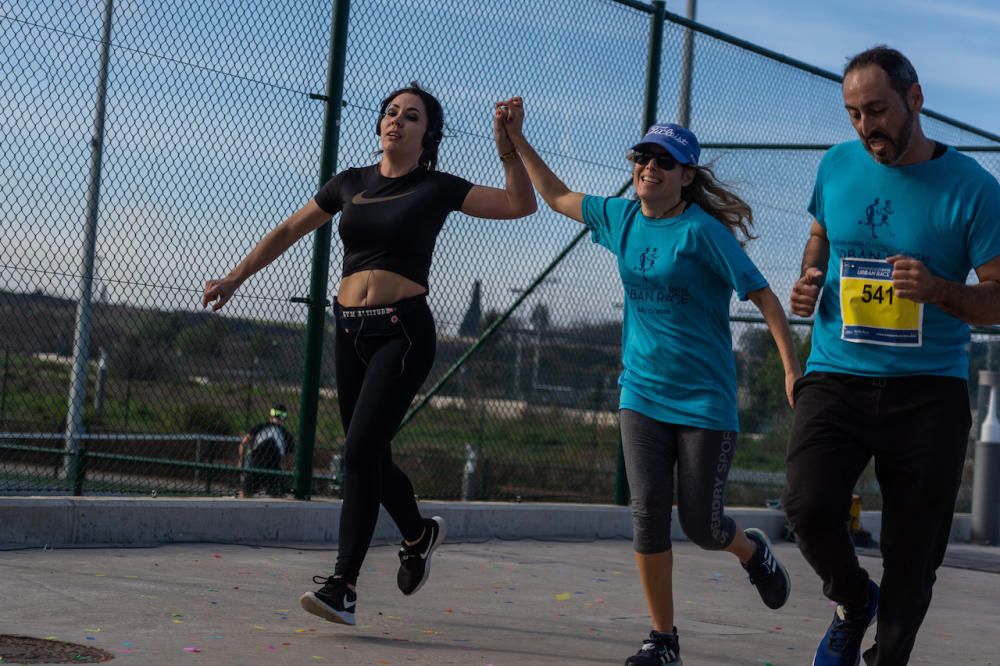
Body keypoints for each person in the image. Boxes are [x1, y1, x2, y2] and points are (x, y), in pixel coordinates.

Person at [202, 83, 536, 626]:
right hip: (349, 329)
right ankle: (417, 532)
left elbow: (520, 205)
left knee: (357, 454)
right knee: (371, 456)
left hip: (402, 333)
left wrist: (508, 148)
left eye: (410, 117)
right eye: (390, 113)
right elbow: (290, 228)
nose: (396, 122)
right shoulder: (350, 183)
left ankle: (344, 587)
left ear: (428, 133)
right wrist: (237, 277)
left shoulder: (437, 187)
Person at [499, 97, 801, 666]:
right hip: (639, 392)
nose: (649, 168)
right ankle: (663, 639)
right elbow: (559, 196)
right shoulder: (624, 217)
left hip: (703, 399)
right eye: (643, 157)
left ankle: (751, 552)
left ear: (686, 177)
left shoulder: (703, 232)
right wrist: (518, 141)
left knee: (702, 524)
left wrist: (790, 366)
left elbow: (764, 296)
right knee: (647, 512)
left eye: (664, 161)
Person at [786, 46, 1000, 666]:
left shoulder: (975, 191)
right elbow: (821, 236)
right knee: (806, 504)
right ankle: (854, 600)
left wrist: (938, 290)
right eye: (853, 113)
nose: (864, 127)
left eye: (876, 110)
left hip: (926, 391)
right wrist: (809, 276)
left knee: (914, 558)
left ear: (915, 98)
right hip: (837, 373)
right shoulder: (835, 166)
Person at [238, 404, 295, 498]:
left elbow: (243, 443)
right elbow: (290, 459)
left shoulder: (261, 426)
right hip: (273, 467)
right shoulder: (286, 434)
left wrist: (240, 461)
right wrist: (286, 470)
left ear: (271, 415)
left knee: (245, 493)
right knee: (276, 496)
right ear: (284, 417)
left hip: (256, 464)